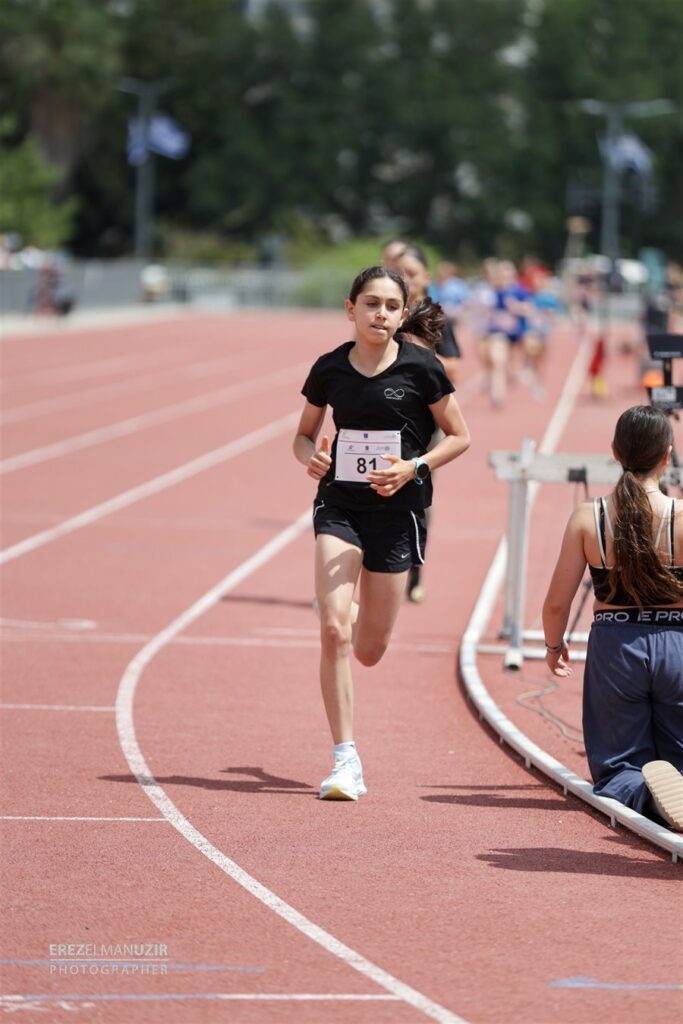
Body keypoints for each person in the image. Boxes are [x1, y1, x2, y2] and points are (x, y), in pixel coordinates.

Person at [293, 266, 471, 800]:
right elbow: (303, 436)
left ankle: (342, 606)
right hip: (340, 506)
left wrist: (414, 467)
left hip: (398, 514)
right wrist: (312, 458)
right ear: (351, 309)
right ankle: (345, 761)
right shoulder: (329, 368)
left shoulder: (422, 368)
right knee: (334, 633)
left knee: (369, 649)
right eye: (371, 304)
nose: (381, 314)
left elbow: (460, 436)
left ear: (403, 313)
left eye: (392, 306)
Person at [542, 405, 683, 830]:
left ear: (615, 452)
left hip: (616, 646)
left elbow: (556, 604)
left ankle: (644, 795)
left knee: (619, 766)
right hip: (677, 644)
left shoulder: (589, 517)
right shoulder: (681, 517)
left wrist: (554, 646)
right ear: (667, 456)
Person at [396, 245, 462, 602]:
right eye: (397, 270)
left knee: (418, 490)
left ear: (425, 277)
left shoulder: (434, 317)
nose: (404, 278)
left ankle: (415, 568)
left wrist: (418, 357)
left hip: (423, 418)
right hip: (383, 413)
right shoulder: (383, 312)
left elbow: (453, 367)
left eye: (410, 272)